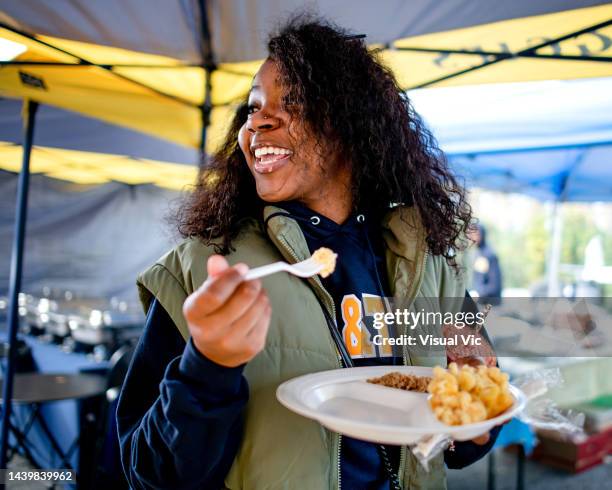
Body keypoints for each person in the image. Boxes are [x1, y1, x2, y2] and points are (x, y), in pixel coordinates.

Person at [117, 17, 501, 490]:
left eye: (293, 101)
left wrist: (479, 418)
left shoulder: (432, 262)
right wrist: (208, 367)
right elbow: (148, 474)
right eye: (253, 107)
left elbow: (468, 426)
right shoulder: (204, 267)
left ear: (353, 124)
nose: (257, 120)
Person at [468, 224, 503, 305]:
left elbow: (495, 286)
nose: (473, 237)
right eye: (471, 234)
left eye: (476, 234)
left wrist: (478, 294)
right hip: (481, 303)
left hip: (491, 305)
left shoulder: (489, 254)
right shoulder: (477, 254)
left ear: (482, 234)